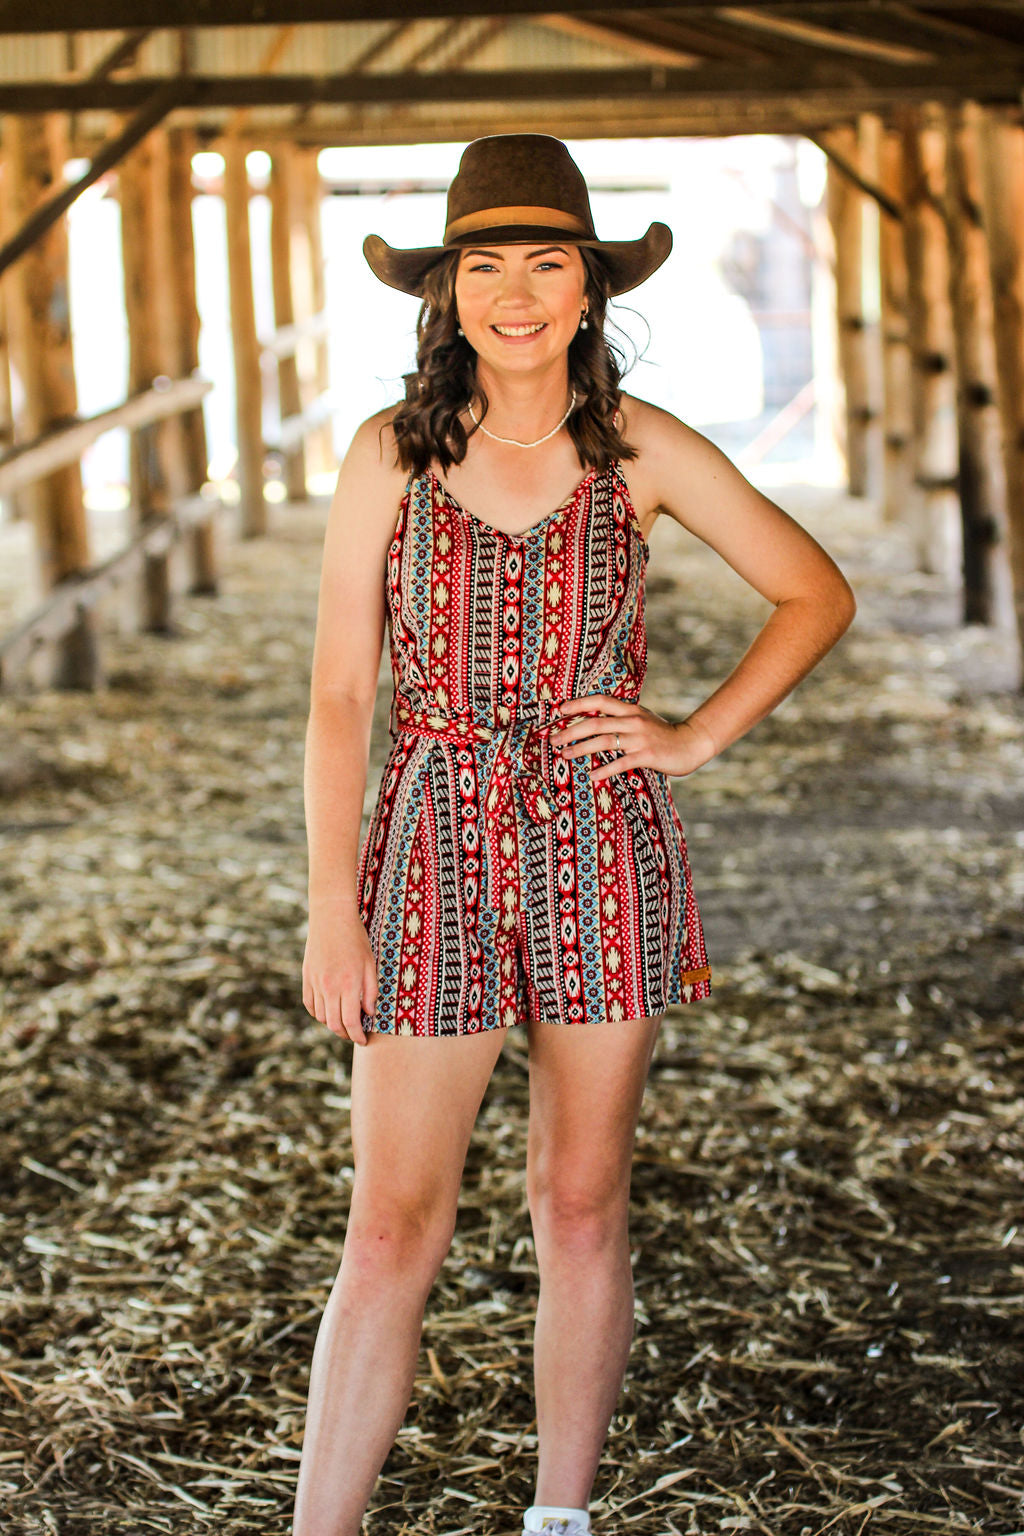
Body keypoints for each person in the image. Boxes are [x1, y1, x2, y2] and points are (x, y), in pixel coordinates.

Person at [294, 134, 855, 1536]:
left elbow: (813, 592)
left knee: (582, 1201)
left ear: (591, 290)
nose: (518, 291)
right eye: (486, 265)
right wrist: (329, 906)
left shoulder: (642, 448)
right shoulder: (389, 453)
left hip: (603, 844)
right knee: (389, 1225)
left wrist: (693, 736)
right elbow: (341, 695)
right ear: (449, 294)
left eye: (547, 262)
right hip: (429, 847)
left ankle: (561, 1519)